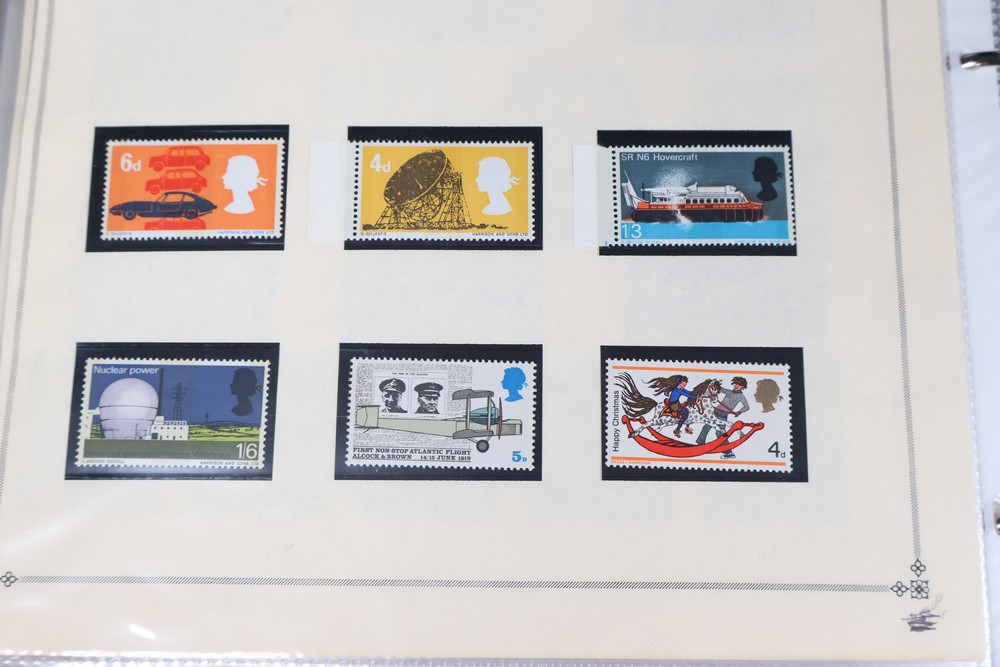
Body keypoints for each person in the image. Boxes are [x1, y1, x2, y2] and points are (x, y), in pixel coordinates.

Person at [696, 376, 751, 454]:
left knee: (720, 433)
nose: (736, 386)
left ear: (743, 387)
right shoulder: (729, 392)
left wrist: (739, 412)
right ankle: (700, 444)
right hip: (715, 413)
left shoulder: (741, 396)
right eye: (735, 384)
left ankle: (728, 452)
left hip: (723, 416)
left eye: (739, 385)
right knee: (706, 427)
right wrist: (711, 383)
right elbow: (720, 388)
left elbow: (747, 407)